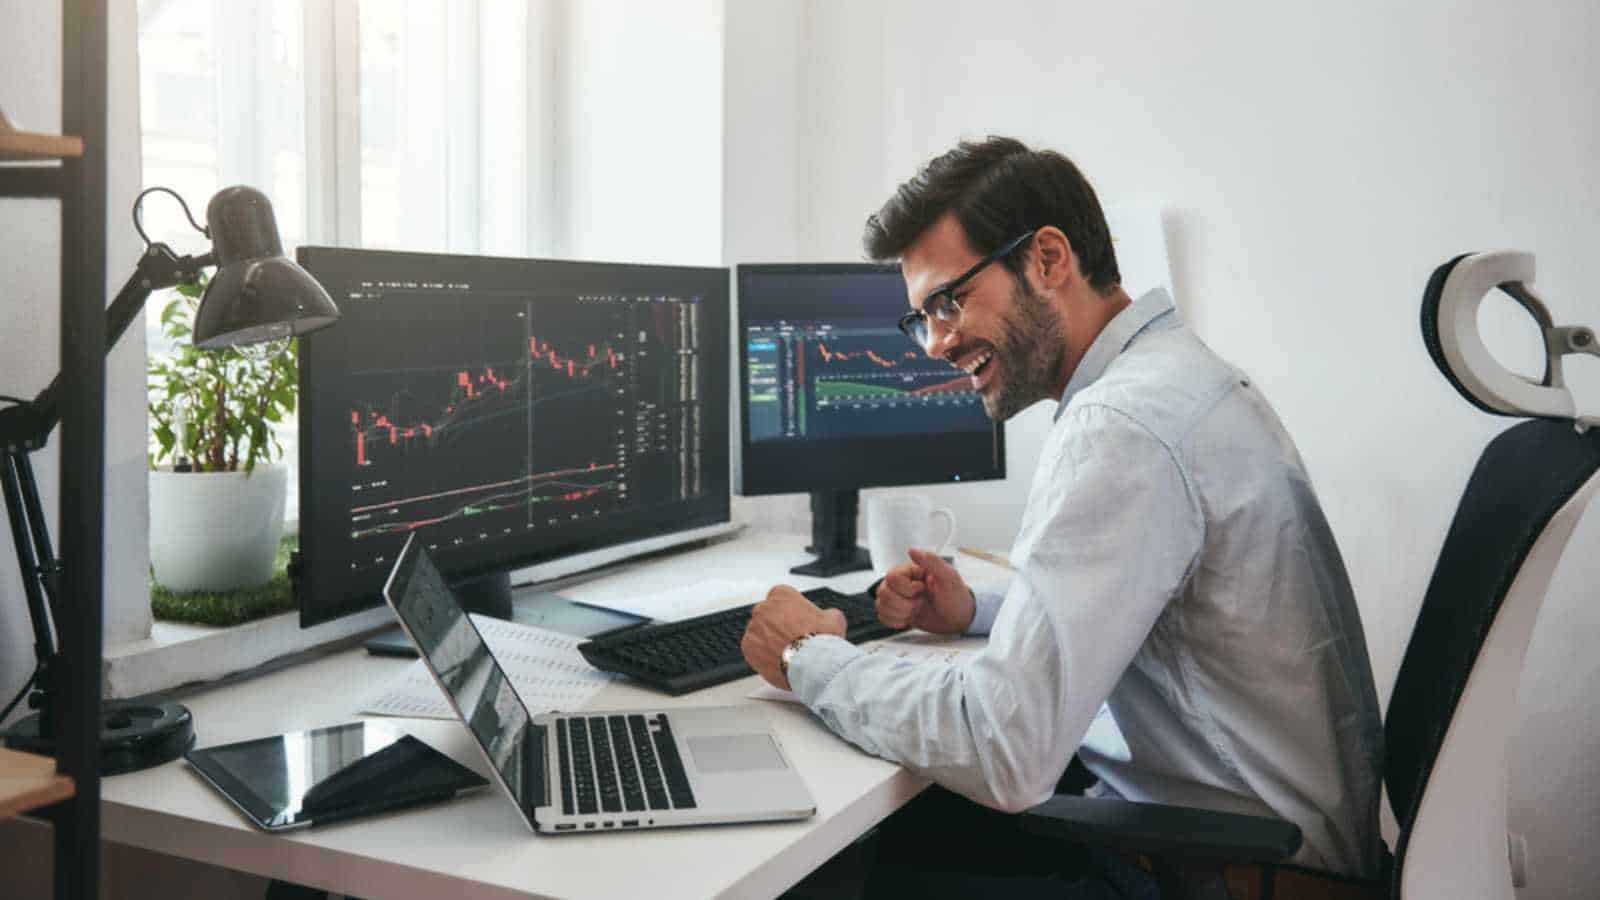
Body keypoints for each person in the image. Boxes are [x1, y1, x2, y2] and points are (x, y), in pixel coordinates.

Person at [740, 137, 1385, 897]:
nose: (938, 344)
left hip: (1226, 872)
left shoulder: (1121, 426)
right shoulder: (1180, 379)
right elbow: (1164, 599)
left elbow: (1002, 748)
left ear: (1048, 259)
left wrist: (807, 659)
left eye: (949, 301)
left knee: (826, 870)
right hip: (1269, 844)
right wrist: (977, 609)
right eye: (922, 319)